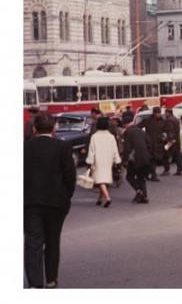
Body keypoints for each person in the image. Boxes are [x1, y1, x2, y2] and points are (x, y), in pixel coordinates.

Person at [24, 113, 76, 288]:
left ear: (34, 129)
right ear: (54, 128)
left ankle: (35, 283)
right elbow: (70, 176)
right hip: (56, 202)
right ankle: (51, 279)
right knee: (53, 241)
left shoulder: (25, 147)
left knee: (33, 242)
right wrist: (67, 197)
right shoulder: (62, 147)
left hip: (30, 203)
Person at [85, 117, 121, 207]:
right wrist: (117, 160)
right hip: (108, 160)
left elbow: (91, 150)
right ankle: (100, 199)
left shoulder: (94, 137)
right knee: (105, 179)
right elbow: (115, 150)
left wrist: (89, 161)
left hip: (98, 160)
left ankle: (108, 197)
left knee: (100, 180)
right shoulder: (111, 137)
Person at [122, 115, 151, 203]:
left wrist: (125, 159)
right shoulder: (140, 130)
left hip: (135, 158)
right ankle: (144, 196)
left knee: (129, 176)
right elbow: (149, 142)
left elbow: (127, 147)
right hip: (145, 157)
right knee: (141, 177)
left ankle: (139, 191)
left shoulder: (127, 132)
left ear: (125, 124)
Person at [137, 106, 167, 182]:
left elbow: (165, 130)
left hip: (158, 143)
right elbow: (138, 127)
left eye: (159, 113)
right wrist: (143, 136)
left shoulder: (162, 121)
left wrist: (164, 136)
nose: (159, 114)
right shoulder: (147, 120)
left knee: (155, 159)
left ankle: (151, 174)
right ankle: (152, 175)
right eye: (157, 113)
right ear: (154, 113)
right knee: (150, 159)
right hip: (149, 143)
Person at [163, 109, 182, 176]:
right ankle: (179, 169)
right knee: (177, 155)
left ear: (168, 113)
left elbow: (170, 131)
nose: (165, 114)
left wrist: (169, 141)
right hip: (176, 140)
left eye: (165, 113)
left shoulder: (169, 120)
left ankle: (167, 170)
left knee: (165, 154)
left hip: (171, 141)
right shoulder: (175, 119)